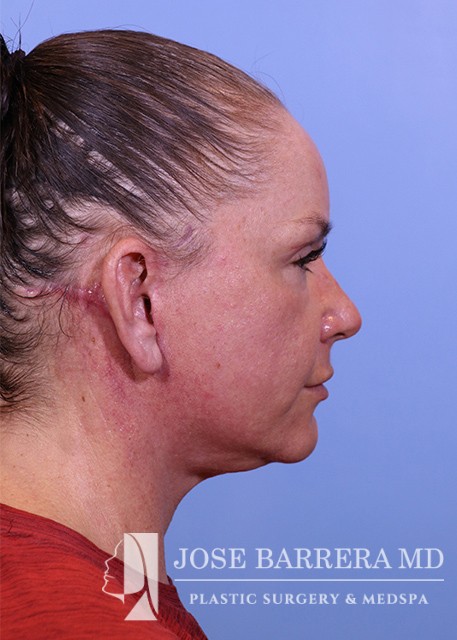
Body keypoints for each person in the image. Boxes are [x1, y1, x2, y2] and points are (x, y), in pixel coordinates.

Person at [0, 28, 361, 639]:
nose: (344, 316)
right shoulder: (87, 625)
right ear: (139, 299)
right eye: (303, 258)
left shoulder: (117, 589)